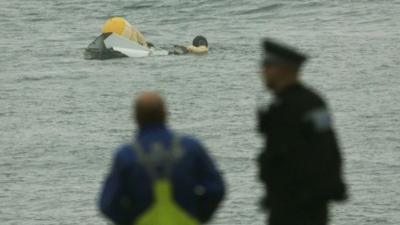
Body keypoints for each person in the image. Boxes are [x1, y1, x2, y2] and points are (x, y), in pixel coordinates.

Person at [257, 39, 348, 225]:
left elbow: (328, 149)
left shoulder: (311, 104)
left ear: (283, 70)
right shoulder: (278, 105)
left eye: (267, 66)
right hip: (283, 202)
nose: (263, 72)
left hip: (306, 206)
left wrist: (318, 192)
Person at [99, 92, 225, 225]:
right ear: (165, 113)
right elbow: (216, 189)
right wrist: (198, 215)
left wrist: (130, 220)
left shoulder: (126, 155)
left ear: (136, 117)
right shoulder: (191, 148)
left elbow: (108, 204)